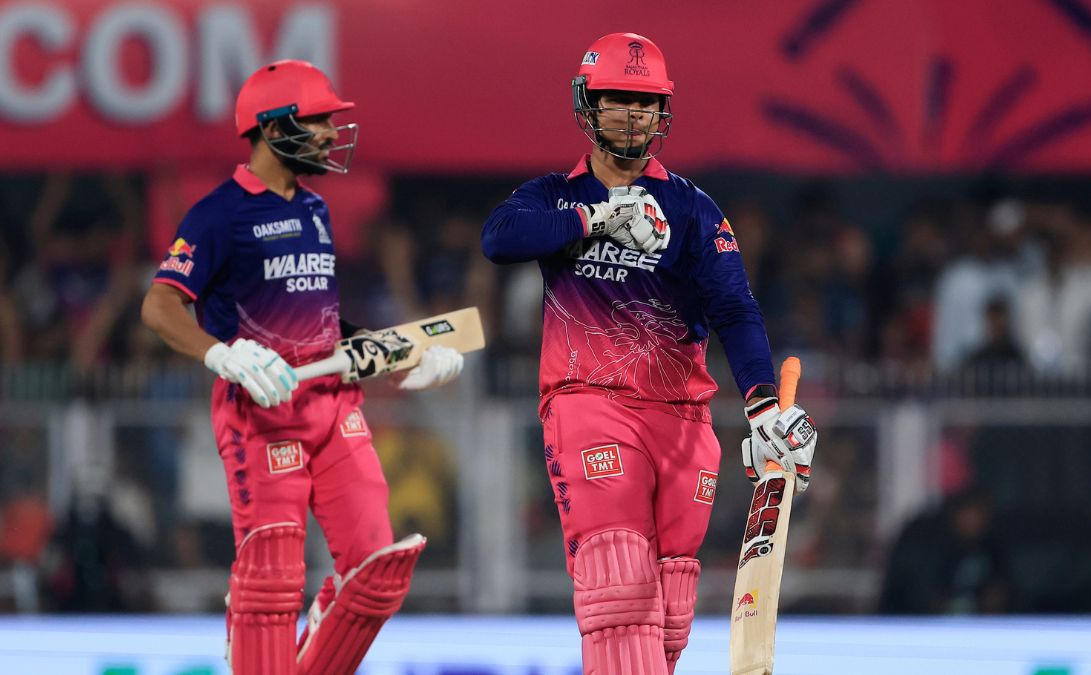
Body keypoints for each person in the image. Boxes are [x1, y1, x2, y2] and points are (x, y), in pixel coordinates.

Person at [481, 33, 818, 674]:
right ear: (588, 104)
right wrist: (598, 217)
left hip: (682, 421)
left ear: (663, 111)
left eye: (646, 102)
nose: (633, 115)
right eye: (618, 99)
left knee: (667, 616)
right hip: (589, 403)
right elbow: (499, 239)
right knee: (619, 591)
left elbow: (734, 309)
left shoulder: (692, 209)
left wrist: (763, 408)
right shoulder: (556, 195)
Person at [140, 59, 464, 675]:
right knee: (272, 582)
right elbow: (158, 306)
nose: (331, 134)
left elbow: (322, 324)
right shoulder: (219, 214)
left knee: (375, 571)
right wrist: (220, 352)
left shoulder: (315, 209)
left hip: (334, 405)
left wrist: (408, 355)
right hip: (262, 412)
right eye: (318, 121)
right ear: (272, 127)